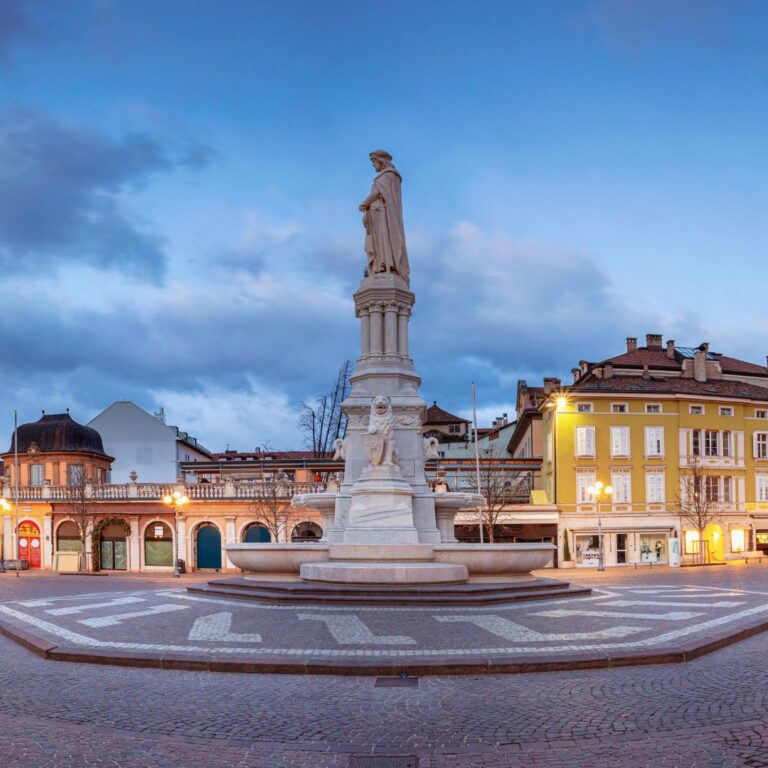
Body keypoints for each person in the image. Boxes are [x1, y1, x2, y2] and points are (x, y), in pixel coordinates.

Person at [359, 150, 410, 283]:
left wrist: (363, 205)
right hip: (380, 214)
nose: (374, 166)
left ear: (381, 162)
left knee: (383, 239)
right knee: (382, 241)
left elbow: (376, 193)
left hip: (382, 215)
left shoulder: (385, 177)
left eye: (374, 163)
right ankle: (381, 265)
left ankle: (384, 264)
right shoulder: (393, 177)